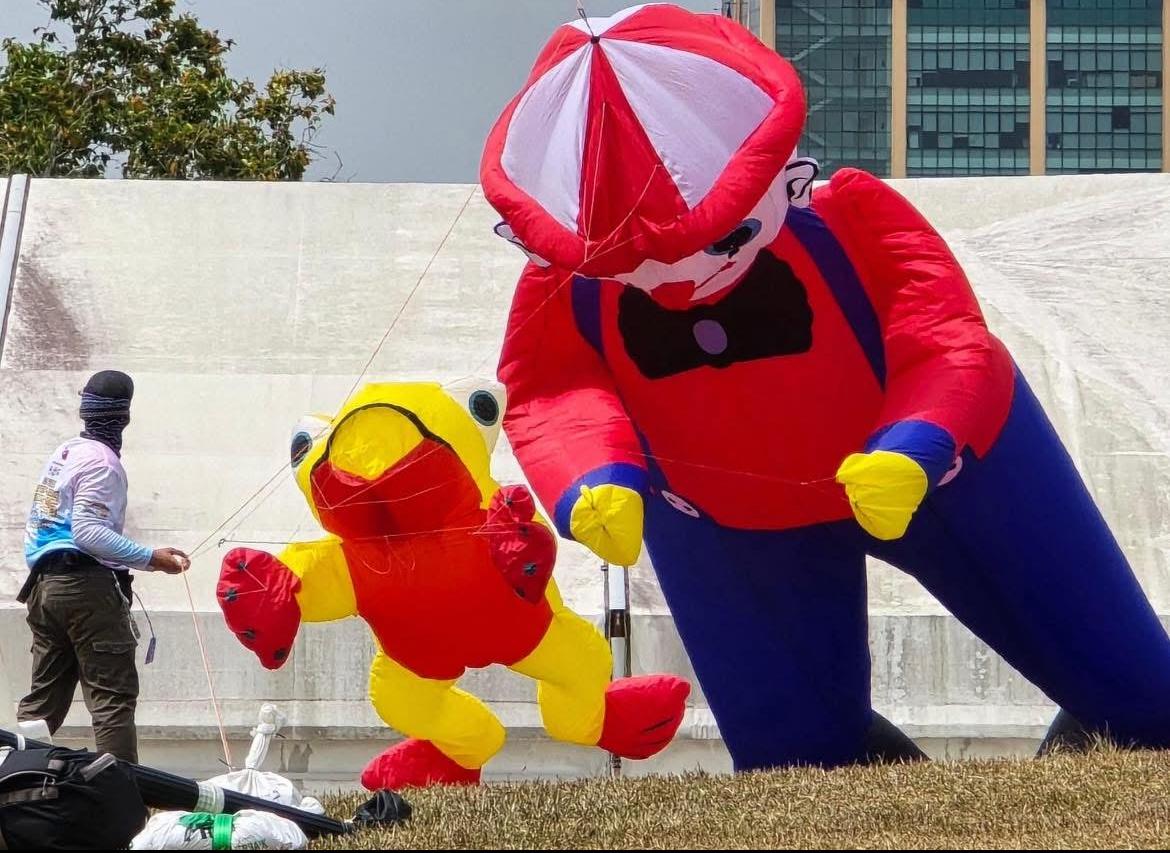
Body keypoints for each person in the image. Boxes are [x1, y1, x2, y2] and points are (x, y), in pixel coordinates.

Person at [16, 370, 190, 763]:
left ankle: (13, 789)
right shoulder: (103, 463)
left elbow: (50, 525)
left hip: (44, 588)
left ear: (85, 411)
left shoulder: (65, 453)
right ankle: (122, 802)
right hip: (86, 589)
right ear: (124, 417)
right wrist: (151, 559)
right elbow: (88, 533)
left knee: (42, 703)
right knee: (111, 699)